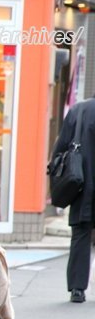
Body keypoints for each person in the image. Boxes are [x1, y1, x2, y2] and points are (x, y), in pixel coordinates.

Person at [50, 97, 95, 303]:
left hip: (83, 183)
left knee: (81, 233)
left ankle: (77, 289)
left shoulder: (79, 110)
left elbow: (61, 148)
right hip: (85, 181)